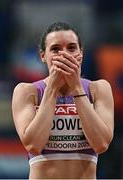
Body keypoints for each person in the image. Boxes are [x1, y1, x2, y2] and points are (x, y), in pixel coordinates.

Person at [12, 22, 114, 179]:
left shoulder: (99, 88)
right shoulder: (27, 91)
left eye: (71, 48)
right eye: (55, 49)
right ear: (43, 56)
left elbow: (101, 144)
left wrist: (76, 88)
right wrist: (52, 89)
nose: (64, 55)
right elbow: (33, 145)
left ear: (81, 54)